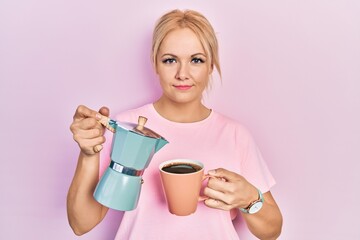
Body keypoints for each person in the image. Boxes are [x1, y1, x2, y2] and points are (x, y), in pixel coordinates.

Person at [67, 9, 283, 240]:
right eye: (170, 60)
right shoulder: (125, 129)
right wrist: (88, 153)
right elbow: (81, 224)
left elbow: (272, 231)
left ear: (211, 66)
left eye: (196, 60)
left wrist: (250, 198)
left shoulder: (236, 135)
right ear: (155, 64)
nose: (182, 73)